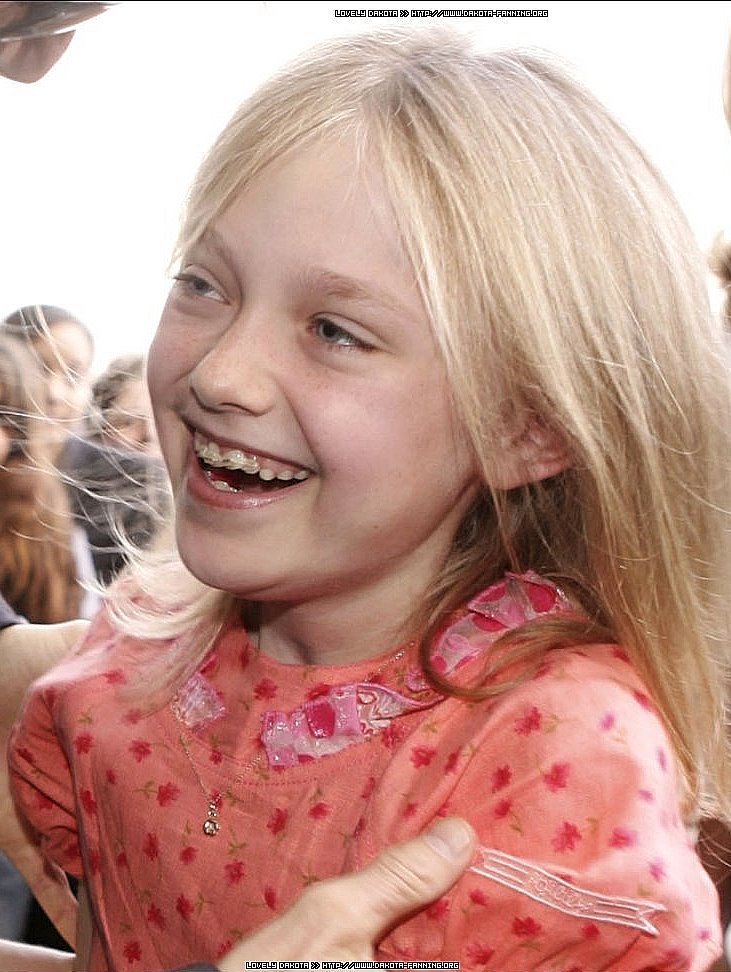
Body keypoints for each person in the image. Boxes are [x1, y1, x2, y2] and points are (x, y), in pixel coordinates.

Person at [8, 29, 731, 971]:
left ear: (525, 427)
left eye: (335, 331)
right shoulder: (139, 647)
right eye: (202, 284)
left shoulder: (550, 762)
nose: (221, 373)